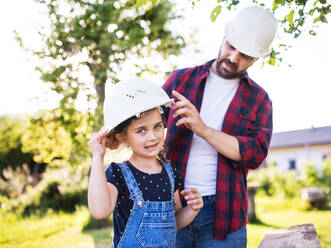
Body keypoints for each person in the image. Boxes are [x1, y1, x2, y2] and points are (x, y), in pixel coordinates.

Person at [162, 5, 278, 247]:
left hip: (224, 214)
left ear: (258, 58)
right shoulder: (180, 80)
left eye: (245, 55)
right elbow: (144, 123)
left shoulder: (259, 99)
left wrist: (203, 130)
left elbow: (255, 154)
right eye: (231, 46)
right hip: (171, 205)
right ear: (224, 37)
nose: (234, 58)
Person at [87, 78, 204, 248]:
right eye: (141, 130)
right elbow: (99, 211)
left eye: (157, 126)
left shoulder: (170, 173)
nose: (153, 136)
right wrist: (97, 157)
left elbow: (174, 222)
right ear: (123, 136)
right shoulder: (117, 173)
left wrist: (193, 209)